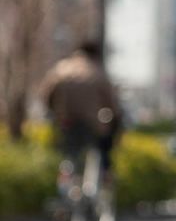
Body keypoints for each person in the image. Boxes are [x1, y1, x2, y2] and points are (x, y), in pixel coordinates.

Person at [41, 41, 122, 190]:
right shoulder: (96, 71)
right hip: (92, 124)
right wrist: (115, 121)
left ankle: (64, 185)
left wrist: (55, 113)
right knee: (101, 150)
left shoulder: (61, 69)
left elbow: (47, 95)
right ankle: (104, 175)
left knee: (69, 155)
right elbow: (112, 104)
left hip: (66, 122)